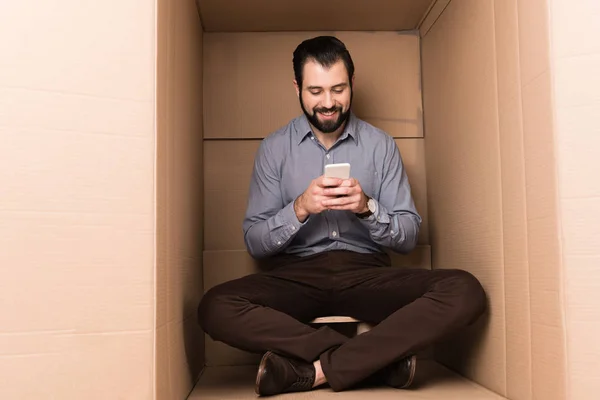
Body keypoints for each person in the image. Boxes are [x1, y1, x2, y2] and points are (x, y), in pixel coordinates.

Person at [198, 35, 486, 396]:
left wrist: (368, 208)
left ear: (353, 83)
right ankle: (377, 360)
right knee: (214, 306)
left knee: (464, 290)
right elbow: (255, 242)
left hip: (367, 274)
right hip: (295, 276)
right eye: (315, 91)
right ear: (297, 88)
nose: (329, 103)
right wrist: (300, 208)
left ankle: (312, 371)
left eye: (338, 89)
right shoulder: (274, 148)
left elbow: (409, 234)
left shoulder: (380, 145)